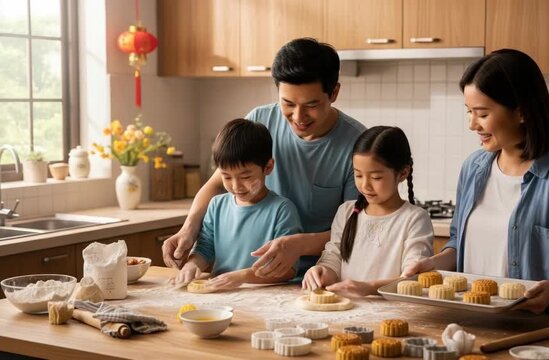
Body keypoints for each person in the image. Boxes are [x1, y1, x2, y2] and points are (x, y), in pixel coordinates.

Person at [402, 49, 549, 319]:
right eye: (469, 112)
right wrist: (432, 263)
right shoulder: (472, 169)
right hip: (472, 323)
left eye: (482, 113)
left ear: (521, 112)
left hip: (541, 332)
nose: (472, 124)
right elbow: (458, 243)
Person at [163, 38, 366, 280]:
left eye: (311, 105)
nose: (298, 117)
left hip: (317, 279)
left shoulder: (359, 145)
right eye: (287, 103)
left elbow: (357, 229)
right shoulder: (260, 120)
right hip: (252, 279)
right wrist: (189, 228)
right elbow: (218, 183)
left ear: (334, 93)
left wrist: (299, 244)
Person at [302, 126, 434, 296]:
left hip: (392, 316)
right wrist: (322, 270)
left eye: (376, 177)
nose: (365, 185)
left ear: (402, 173)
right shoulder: (346, 212)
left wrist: (370, 288)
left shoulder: (414, 219)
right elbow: (333, 257)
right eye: (358, 175)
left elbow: (413, 278)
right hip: (347, 312)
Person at [172, 119, 302, 290]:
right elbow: (205, 249)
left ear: (268, 167)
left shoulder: (282, 210)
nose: (236, 186)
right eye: (226, 177)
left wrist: (242, 277)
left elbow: (289, 270)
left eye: (246, 177)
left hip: (267, 297)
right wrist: (192, 265)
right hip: (222, 294)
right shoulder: (216, 205)